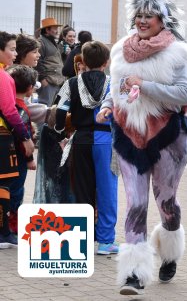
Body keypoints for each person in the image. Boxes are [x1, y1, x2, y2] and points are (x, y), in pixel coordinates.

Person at [96, 0, 187, 295]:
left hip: (169, 137)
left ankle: (169, 249)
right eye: (138, 15)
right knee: (136, 203)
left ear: (162, 20)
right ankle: (134, 275)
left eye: (149, 16)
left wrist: (146, 85)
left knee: (167, 203)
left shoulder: (178, 53)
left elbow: (184, 94)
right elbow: (114, 87)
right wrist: (108, 105)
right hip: (129, 136)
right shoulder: (120, 51)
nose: (142, 21)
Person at [54, 41, 118, 255]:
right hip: (105, 141)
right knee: (107, 190)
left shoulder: (71, 83)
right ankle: (106, 241)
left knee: (82, 189)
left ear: (83, 61)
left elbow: (60, 112)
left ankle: (83, 239)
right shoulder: (113, 83)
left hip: (80, 141)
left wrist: (61, 131)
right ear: (106, 62)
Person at [0, 32, 34, 247]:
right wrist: (25, 138)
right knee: (4, 184)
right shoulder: (3, 77)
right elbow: (9, 111)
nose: (15, 53)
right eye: (12, 49)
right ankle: (4, 233)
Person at [5, 65, 38, 235]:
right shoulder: (20, 109)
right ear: (30, 88)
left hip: (7, 155)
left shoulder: (7, 105)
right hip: (18, 158)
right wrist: (30, 158)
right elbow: (24, 137)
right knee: (16, 191)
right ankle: (12, 226)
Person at [36, 17, 66, 105]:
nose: (57, 31)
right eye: (55, 28)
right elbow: (38, 61)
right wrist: (42, 78)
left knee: (51, 110)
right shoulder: (41, 42)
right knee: (44, 108)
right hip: (48, 82)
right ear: (47, 30)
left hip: (56, 81)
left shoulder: (52, 41)